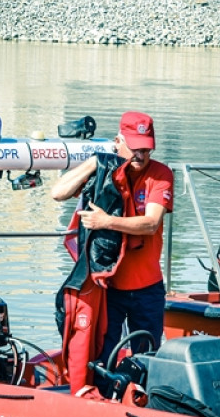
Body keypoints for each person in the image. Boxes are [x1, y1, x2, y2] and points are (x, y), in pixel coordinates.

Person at [52, 111, 174, 391]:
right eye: (134, 148)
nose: (140, 156)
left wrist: (106, 222)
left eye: (146, 149)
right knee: (104, 356)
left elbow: (151, 223)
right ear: (119, 141)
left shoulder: (161, 174)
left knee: (147, 356)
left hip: (148, 288)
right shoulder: (105, 169)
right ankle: (104, 402)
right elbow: (58, 193)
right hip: (109, 287)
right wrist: (94, 164)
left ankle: (143, 403)